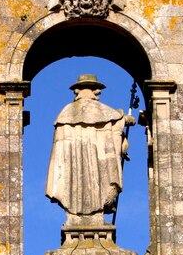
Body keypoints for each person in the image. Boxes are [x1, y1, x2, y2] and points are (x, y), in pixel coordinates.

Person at [46, 74, 135, 225]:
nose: (98, 94)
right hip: (94, 161)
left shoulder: (66, 112)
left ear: (77, 91)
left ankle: (77, 214)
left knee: (76, 181)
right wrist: (125, 119)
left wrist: (121, 119)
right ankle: (92, 213)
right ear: (93, 90)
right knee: (95, 181)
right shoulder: (102, 111)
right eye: (96, 90)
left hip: (73, 162)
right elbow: (116, 120)